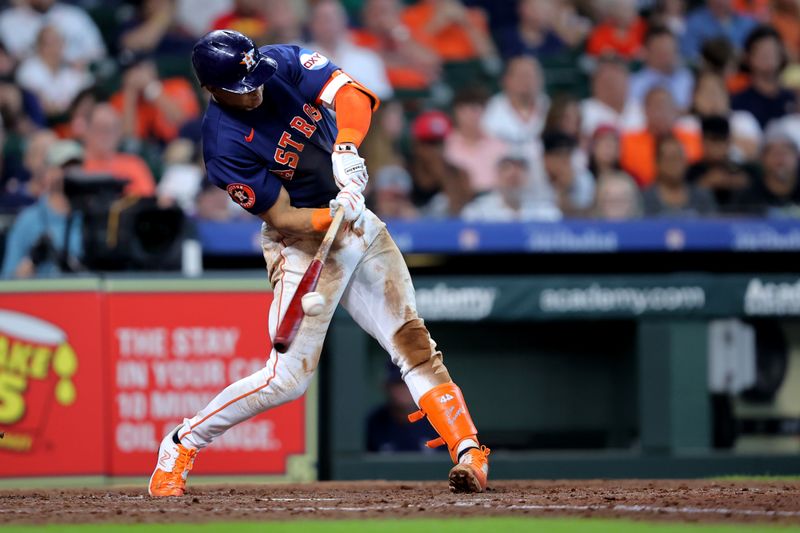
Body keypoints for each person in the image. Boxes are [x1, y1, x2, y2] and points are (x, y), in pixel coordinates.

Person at [148, 30, 490, 497]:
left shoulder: (279, 62)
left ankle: (468, 450)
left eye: (255, 78)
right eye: (242, 87)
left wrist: (346, 148)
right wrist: (332, 213)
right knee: (285, 380)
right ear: (213, 89)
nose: (256, 89)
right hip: (300, 243)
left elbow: (353, 94)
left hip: (354, 221)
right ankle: (181, 442)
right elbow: (283, 215)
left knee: (411, 340)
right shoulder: (222, 144)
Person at [2, 139, 83, 278]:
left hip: (82, 296)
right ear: (48, 172)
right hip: (42, 297)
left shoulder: (90, 218)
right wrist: (30, 265)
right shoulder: (28, 220)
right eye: (64, 168)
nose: (71, 174)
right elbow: (7, 281)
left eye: (77, 167)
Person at [305, 0, 393, 101]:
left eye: (332, 18)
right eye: (322, 18)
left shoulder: (368, 58)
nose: (328, 24)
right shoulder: (296, 58)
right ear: (311, 24)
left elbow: (384, 100)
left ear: (344, 20)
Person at [110, 55, 201, 145]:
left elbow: (186, 124)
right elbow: (128, 141)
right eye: (129, 72)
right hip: (144, 153)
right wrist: (130, 95)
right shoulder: (120, 100)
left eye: (139, 68)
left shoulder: (177, 85)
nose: (136, 75)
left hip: (180, 145)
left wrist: (150, 87)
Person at [620, 86, 702, 186]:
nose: (661, 112)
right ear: (644, 110)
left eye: (666, 106)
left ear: (675, 110)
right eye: (656, 106)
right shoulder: (628, 142)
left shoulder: (692, 139)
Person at [15, 25, 93, 118]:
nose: (56, 47)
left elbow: (91, 97)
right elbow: (44, 108)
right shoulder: (29, 70)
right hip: (46, 124)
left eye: (59, 41)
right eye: (50, 43)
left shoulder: (71, 70)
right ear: (39, 46)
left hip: (75, 120)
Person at [81, 104, 156, 197]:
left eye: (113, 128)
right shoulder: (76, 165)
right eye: (100, 127)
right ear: (87, 130)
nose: (106, 134)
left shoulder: (134, 164)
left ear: (119, 133)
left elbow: (147, 202)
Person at [0, 0, 106, 66]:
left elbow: (98, 51)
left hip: (74, 80)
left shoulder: (75, 15)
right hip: (32, 81)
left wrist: (81, 62)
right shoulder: (7, 20)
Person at [731, 25, 797, 130]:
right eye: (763, 52)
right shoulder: (738, 102)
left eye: (772, 51)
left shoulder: (792, 98)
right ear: (748, 57)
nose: (768, 56)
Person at [444, 87, 507, 193]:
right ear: (455, 112)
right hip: (458, 200)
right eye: (464, 110)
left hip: (493, 200)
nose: (470, 115)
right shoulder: (446, 144)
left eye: (476, 109)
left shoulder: (500, 145)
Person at [461, 154, 559, 221]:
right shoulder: (478, 212)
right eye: (506, 169)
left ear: (528, 178)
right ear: (497, 177)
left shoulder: (546, 213)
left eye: (520, 169)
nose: (514, 173)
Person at [686, 115, 753, 209]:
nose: (718, 147)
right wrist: (704, 183)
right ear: (702, 141)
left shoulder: (739, 168)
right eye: (713, 140)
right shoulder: (691, 171)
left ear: (729, 142)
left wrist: (729, 181)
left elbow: (749, 181)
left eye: (722, 140)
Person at [642, 134, 718, 217]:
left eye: (679, 157)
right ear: (657, 163)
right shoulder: (645, 199)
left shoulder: (702, 197)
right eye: (670, 158)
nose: (675, 164)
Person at [733, 126, 800, 215]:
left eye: (785, 153)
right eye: (775, 154)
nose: (780, 160)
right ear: (762, 159)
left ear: (797, 157)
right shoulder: (746, 198)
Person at [629, 25, 694, 111]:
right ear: (646, 52)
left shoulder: (686, 77)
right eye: (661, 52)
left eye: (670, 50)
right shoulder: (634, 84)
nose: (667, 57)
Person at [580, 56, 643, 137]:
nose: (613, 86)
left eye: (617, 80)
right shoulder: (583, 111)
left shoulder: (640, 108)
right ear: (594, 84)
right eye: (608, 81)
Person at [682, 0, 757, 62]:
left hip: (743, 73)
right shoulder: (694, 22)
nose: (720, 1)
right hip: (708, 73)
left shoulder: (747, 23)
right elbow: (689, 55)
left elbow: (756, 51)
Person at [494, 0, 567, 59]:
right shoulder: (503, 37)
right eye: (538, 9)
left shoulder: (556, 43)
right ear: (522, 8)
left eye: (547, 10)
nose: (544, 15)